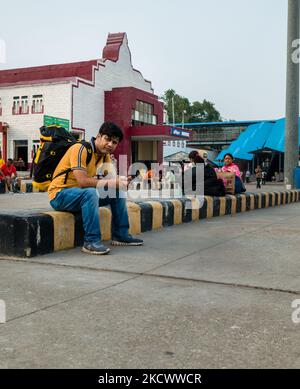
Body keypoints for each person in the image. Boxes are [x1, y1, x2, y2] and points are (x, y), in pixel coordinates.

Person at [48, 121, 143, 255]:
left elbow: (110, 181)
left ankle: (121, 235)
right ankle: (91, 241)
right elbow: (82, 181)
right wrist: (112, 182)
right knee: (91, 193)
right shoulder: (80, 149)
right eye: (108, 139)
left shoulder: (104, 156)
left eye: (114, 142)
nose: (110, 144)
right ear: (99, 136)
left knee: (117, 191)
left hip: (80, 195)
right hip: (60, 195)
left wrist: (121, 182)